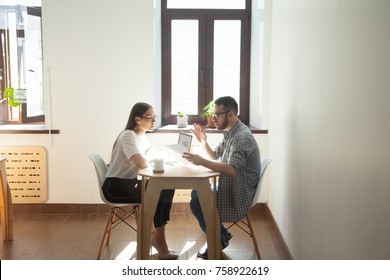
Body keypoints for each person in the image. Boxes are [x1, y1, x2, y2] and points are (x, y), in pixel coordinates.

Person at [182, 96, 261, 259]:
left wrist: (201, 161)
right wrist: (203, 142)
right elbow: (214, 155)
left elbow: (231, 170)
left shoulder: (241, 137)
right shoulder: (231, 132)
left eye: (217, 115)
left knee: (197, 201)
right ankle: (221, 236)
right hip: (230, 186)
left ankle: (217, 240)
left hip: (239, 194)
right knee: (197, 193)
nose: (213, 119)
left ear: (230, 114)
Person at [103, 102, 178, 260]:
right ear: (137, 119)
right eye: (150, 117)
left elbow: (149, 154)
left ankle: (157, 240)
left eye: (155, 117)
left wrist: (166, 154)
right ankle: (160, 242)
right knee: (162, 190)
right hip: (116, 187)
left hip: (126, 184)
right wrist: (150, 159)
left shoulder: (141, 135)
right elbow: (141, 162)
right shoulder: (128, 135)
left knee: (164, 187)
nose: (154, 121)